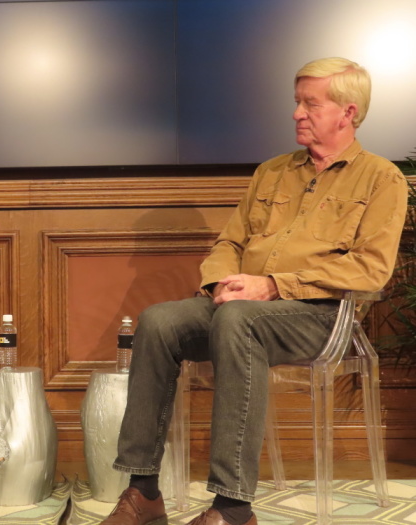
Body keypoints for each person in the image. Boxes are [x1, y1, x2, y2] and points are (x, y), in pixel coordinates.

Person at [99, 57, 408, 525]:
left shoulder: (382, 178)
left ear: (348, 112)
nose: (296, 113)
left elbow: (370, 270)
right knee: (159, 320)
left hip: (322, 317)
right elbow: (230, 242)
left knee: (238, 321)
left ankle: (233, 506)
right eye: (296, 101)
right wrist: (222, 284)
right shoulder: (272, 172)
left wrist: (273, 285)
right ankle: (144, 491)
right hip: (242, 308)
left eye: (310, 103)